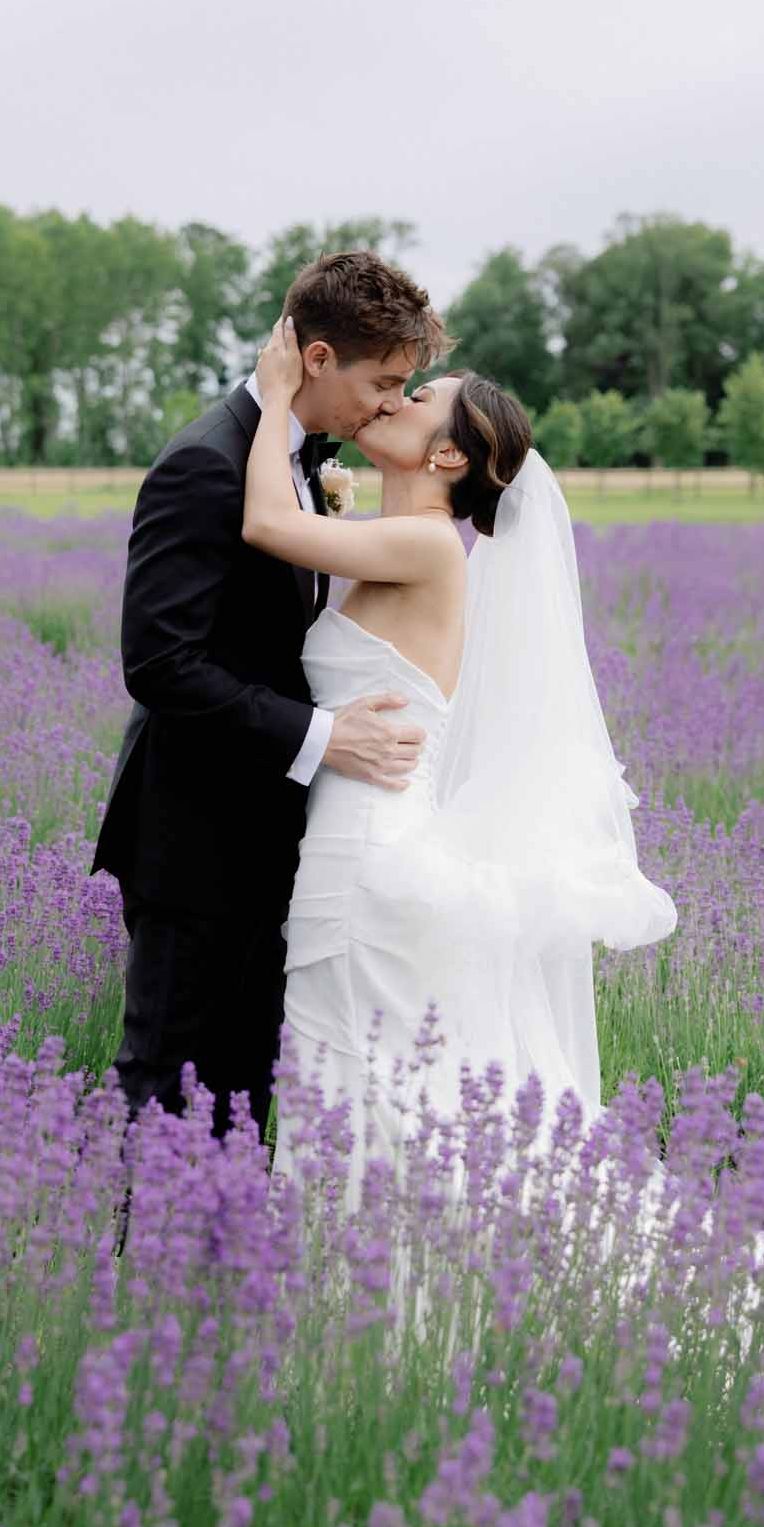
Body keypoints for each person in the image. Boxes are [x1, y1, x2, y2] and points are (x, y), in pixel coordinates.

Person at [241, 317, 679, 1218]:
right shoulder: (395, 540)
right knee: (368, 1107)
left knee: (371, 1110)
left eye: (421, 399)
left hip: (368, 861)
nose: (397, 399)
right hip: (359, 849)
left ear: (447, 459)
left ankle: (389, 1311)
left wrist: (278, 394)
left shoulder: (433, 545)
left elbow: (260, 523)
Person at [91, 251, 453, 1157]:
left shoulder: (296, 462)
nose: (386, 404)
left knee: (245, 1090)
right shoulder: (205, 464)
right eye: (383, 381)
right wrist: (326, 738)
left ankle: (222, 1274)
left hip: (275, 836)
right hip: (195, 838)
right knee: (167, 1081)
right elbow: (162, 663)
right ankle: (136, 1281)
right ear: (318, 359)